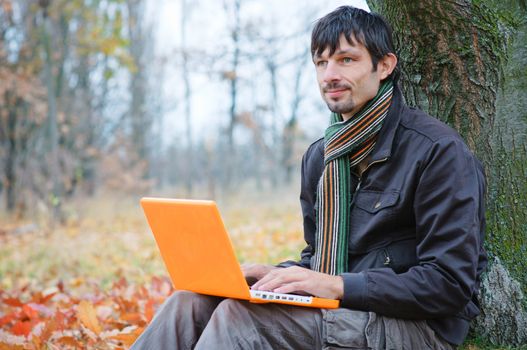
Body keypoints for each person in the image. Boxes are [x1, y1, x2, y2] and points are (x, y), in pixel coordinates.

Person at [131, 6, 486, 349]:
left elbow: (448, 284)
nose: (329, 74)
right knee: (189, 303)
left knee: (239, 317)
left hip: (415, 329)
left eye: (346, 59)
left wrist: (338, 285)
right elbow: (319, 258)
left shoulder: (437, 151)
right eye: (321, 62)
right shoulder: (321, 157)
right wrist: (270, 274)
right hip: (343, 309)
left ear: (384, 66)